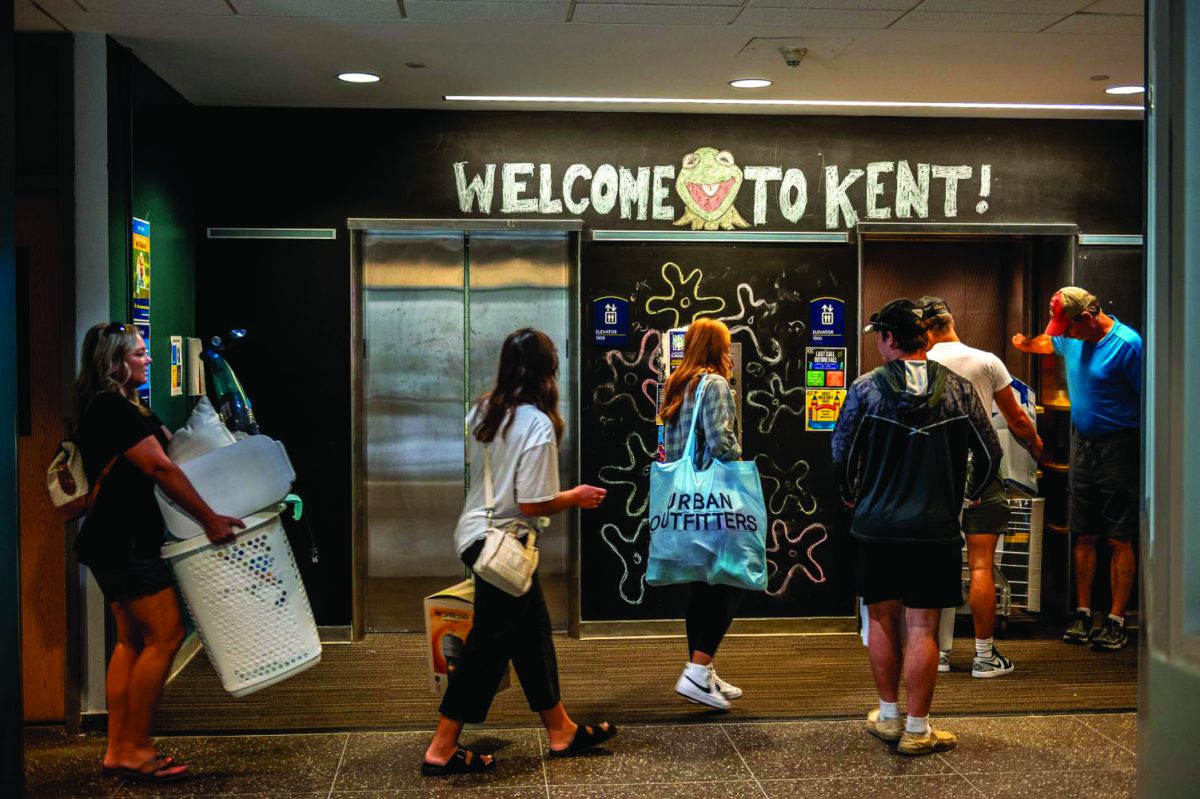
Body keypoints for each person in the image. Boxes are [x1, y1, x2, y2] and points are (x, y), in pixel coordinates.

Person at [422, 328, 615, 776]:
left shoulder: (484, 410)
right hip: (503, 545)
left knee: (532, 636)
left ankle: (561, 729)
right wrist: (576, 496)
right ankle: (441, 746)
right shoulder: (537, 424)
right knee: (488, 648)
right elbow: (532, 502)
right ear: (549, 370)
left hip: (477, 536)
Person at [73, 322, 245, 783]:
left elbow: (170, 451)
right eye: (138, 355)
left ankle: (119, 747)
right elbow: (160, 468)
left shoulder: (123, 406)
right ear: (114, 363)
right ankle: (136, 747)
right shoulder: (112, 409)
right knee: (165, 636)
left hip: (114, 540)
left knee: (131, 641)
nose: (147, 360)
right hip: (125, 542)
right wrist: (210, 519)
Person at [832, 299, 1001, 756]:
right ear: (925, 338)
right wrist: (973, 492)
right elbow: (990, 454)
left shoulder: (865, 389)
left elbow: (841, 455)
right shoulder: (961, 390)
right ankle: (917, 728)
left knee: (883, 621)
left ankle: (888, 717)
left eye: (879, 337)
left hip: (876, 527)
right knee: (923, 627)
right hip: (935, 529)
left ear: (889, 338)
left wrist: (852, 496)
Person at [917, 296, 1044, 679]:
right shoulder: (987, 361)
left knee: (936, 565)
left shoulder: (918, 365)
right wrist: (1039, 452)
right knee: (981, 565)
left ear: (924, 329)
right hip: (982, 470)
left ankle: (937, 654)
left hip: (934, 476)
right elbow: (1018, 420)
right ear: (952, 322)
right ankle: (984, 656)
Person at [1012, 287, 1141, 652]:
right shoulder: (1071, 339)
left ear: (1086, 318)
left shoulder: (1128, 345)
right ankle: (1083, 613)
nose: (1063, 335)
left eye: (1066, 327)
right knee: (1083, 533)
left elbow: (1150, 397)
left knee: (1119, 536)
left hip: (1120, 446)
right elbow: (1047, 343)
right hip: (1082, 445)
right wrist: (1025, 344)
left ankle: (1115, 619)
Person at [659, 318, 745, 711]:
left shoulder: (678, 384)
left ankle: (702, 670)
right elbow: (721, 442)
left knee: (700, 586)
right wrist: (744, 472)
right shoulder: (716, 385)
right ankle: (696, 671)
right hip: (714, 501)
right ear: (716, 348)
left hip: (684, 502)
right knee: (727, 583)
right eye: (726, 346)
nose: (729, 353)